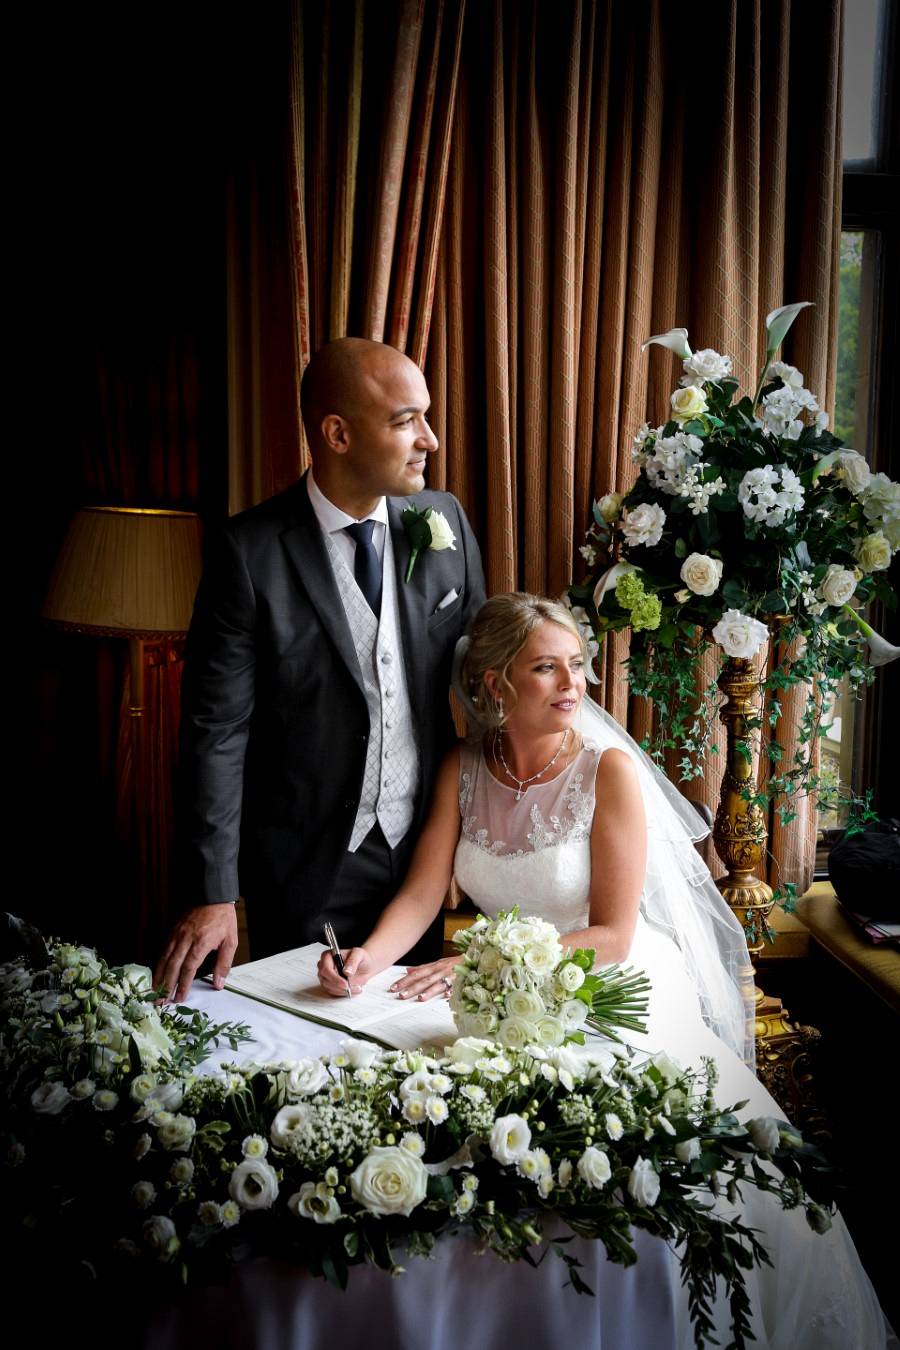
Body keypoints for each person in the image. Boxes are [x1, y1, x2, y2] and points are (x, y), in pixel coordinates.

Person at [318, 592, 888, 1349]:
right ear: (493, 682)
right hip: (501, 988)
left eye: (578, 665)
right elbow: (424, 893)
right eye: (546, 668)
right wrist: (367, 958)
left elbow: (615, 935)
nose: (573, 684)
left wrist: (484, 964)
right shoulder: (463, 766)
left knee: (603, 1160)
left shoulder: (606, 770)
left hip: (602, 981)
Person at [154, 337, 485, 1003]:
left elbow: (488, 680)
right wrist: (215, 892)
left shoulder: (442, 520)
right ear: (337, 434)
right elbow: (217, 730)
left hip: (421, 856)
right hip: (304, 862)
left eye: (425, 416)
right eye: (405, 421)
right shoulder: (249, 553)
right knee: (305, 1044)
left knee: (405, 1045)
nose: (430, 439)